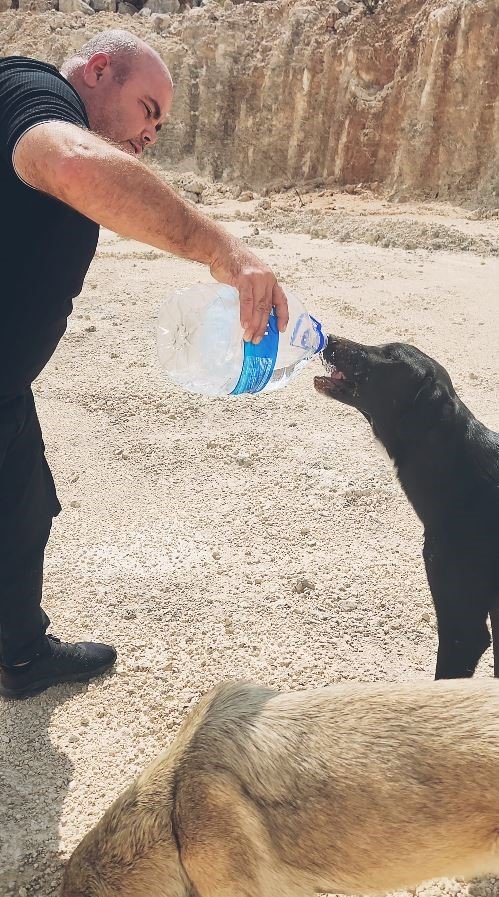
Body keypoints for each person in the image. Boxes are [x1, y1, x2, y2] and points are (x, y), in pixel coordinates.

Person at [0, 30, 289, 699]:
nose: (152, 132)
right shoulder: (34, 93)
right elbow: (71, 164)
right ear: (99, 71)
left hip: (6, 388)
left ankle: (20, 654)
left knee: (22, 507)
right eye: (148, 109)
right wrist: (224, 250)